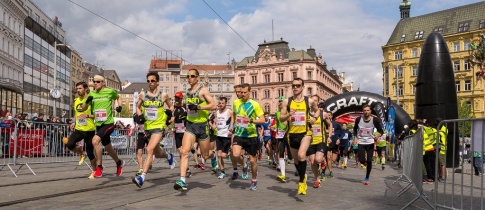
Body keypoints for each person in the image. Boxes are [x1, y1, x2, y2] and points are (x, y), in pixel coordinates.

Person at [174, 68, 217, 191]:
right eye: (188, 76)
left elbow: (213, 105)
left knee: (205, 154)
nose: (190, 78)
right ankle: (182, 180)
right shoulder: (187, 92)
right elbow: (189, 106)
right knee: (184, 152)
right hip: (191, 125)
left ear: (197, 77)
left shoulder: (202, 90)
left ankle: (213, 156)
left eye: (192, 76)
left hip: (203, 126)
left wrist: (198, 106)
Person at [132, 72, 175, 188]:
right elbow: (137, 106)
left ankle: (142, 177)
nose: (150, 83)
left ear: (157, 82)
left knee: (149, 149)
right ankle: (168, 156)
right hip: (148, 127)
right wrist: (140, 115)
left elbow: (171, 106)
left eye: (152, 81)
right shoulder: (143, 94)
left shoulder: (163, 95)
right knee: (157, 152)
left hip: (159, 126)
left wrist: (169, 115)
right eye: (148, 81)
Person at [279, 78, 320, 195]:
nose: (295, 88)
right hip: (292, 134)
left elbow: (317, 111)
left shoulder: (309, 101)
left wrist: (314, 119)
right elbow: (281, 119)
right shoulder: (287, 102)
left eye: (297, 85)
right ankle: (303, 175)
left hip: (305, 133)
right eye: (293, 86)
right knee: (296, 160)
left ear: (303, 87)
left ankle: (302, 182)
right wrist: (288, 114)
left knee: (302, 155)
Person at [82, 74, 124, 178]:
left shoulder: (109, 92)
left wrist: (120, 106)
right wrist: (87, 100)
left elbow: (119, 97)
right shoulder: (92, 94)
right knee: (108, 148)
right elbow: (83, 108)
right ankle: (119, 163)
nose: (95, 83)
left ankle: (99, 167)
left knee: (95, 141)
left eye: (98, 82)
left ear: (103, 83)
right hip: (99, 124)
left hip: (108, 123)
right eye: (94, 82)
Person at [230, 83, 265, 190]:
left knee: (253, 160)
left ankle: (254, 179)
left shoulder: (255, 104)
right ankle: (244, 166)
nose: (243, 94)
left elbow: (263, 120)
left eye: (245, 92)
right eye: (241, 92)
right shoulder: (236, 103)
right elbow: (234, 115)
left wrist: (250, 120)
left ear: (249, 92)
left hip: (251, 135)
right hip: (239, 134)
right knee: (235, 154)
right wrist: (232, 125)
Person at [66, 82, 97, 178]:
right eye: (77, 89)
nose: (78, 90)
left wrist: (88, 115)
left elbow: (96, 115)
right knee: (69, 144)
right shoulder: (76, 100)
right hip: (79, 129)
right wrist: (73, 122)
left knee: (90, 152)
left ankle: (95, 171)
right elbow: (76, 113)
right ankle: (82, 154)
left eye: (80, 88)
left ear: (86, 89)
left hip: (89, 130)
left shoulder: (91, 100)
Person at [353, 104, 383, 185]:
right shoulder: (359, 119)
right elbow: (355, 129)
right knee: (362, 160)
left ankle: (367, 177)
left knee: (369, 160)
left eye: (368, 110)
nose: (366, 112)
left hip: (370, 142)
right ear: (363, 111)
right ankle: (364, 163)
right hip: (361, 142)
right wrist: (355, 138)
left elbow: (381, 131)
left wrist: (377, 135)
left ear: (370, 111)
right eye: (365, 110)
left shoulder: (374, 120)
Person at [307, 94, 327, 188]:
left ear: (318, 102)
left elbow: (330, 125)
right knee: (312, 162)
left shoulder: (323, 114)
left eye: (315, 101)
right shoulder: (306, 113)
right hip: (310, 141)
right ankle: (317, 179)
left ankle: (323, 160)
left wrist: (329, 136)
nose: (313, 102)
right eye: (312, 101)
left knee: (318, 159)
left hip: (320, 141)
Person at [173, 91, 192, 177]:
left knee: (183, 153)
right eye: (175, 98)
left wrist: (186, 117)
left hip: (185, 132)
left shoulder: (185, 106)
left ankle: (186, 170)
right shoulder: (174, 107)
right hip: (177, 132)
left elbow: (190, 116)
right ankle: (186, 168)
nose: (176, 99)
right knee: (180, 152)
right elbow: (172, 118)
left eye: (178, 98)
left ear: (181, 98)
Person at [213, 97, 233, 179]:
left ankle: (232, 151)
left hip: (226, 135)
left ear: (226, 103)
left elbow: (233, 120)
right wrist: (213, 125)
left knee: (224, 156)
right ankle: (222, 172)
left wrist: (231, 128)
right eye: (219, 103)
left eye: (222, 103)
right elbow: (215, 122)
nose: (220, 105)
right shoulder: (217, 112)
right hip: (219, 135)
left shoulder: (229, 111)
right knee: (219, 155)